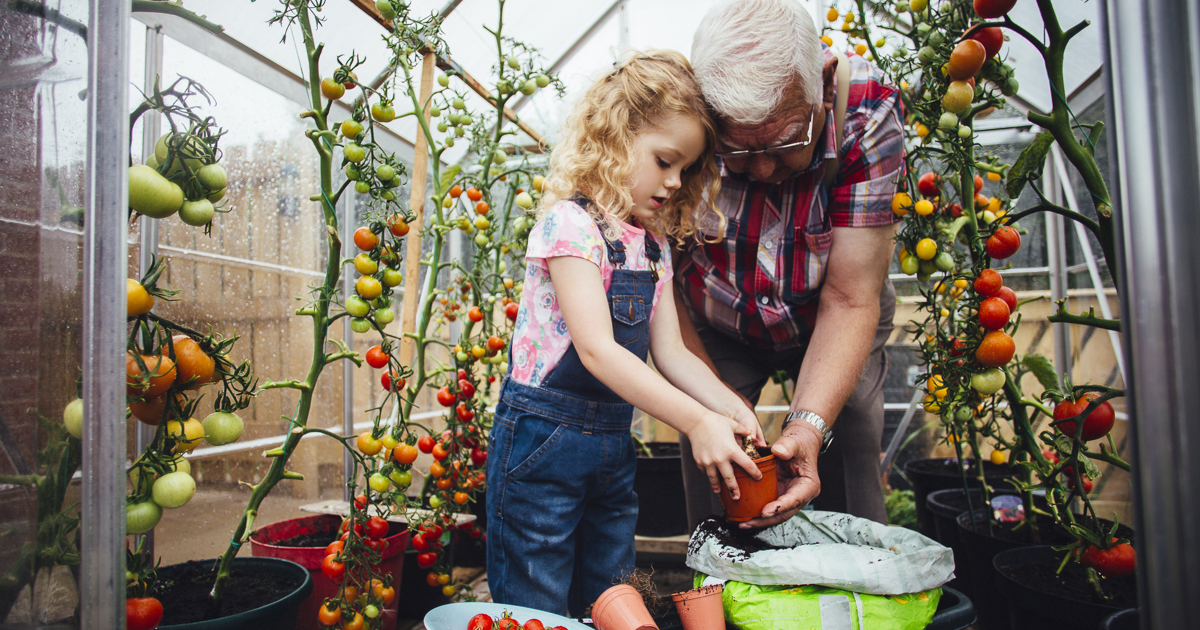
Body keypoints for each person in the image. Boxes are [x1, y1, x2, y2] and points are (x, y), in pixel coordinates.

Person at [486, 50, 767, 617]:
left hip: (611, 448)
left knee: (611, 596)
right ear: (616, 136)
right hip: (543, 446)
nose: (674, 181)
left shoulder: (653, 246)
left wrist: (729, 407)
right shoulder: (571, 226)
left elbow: (673, 353)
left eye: (685, 169)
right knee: (537, 603)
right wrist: (696, 421)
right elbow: (596, 351)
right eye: (665, 161)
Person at [675, 0, 904, 531]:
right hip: (717, 313)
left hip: (831, 307)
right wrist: (711, 406)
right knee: (715, 453)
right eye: (736, 149)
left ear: (823, 81)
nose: (761, 168)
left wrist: (806, 426)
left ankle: (852, 567)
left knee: (850, 430)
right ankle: (719, 571)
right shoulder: (680, 111)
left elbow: (850, 299)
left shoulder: (868, 112)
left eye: (784, 142)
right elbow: (662, 283)